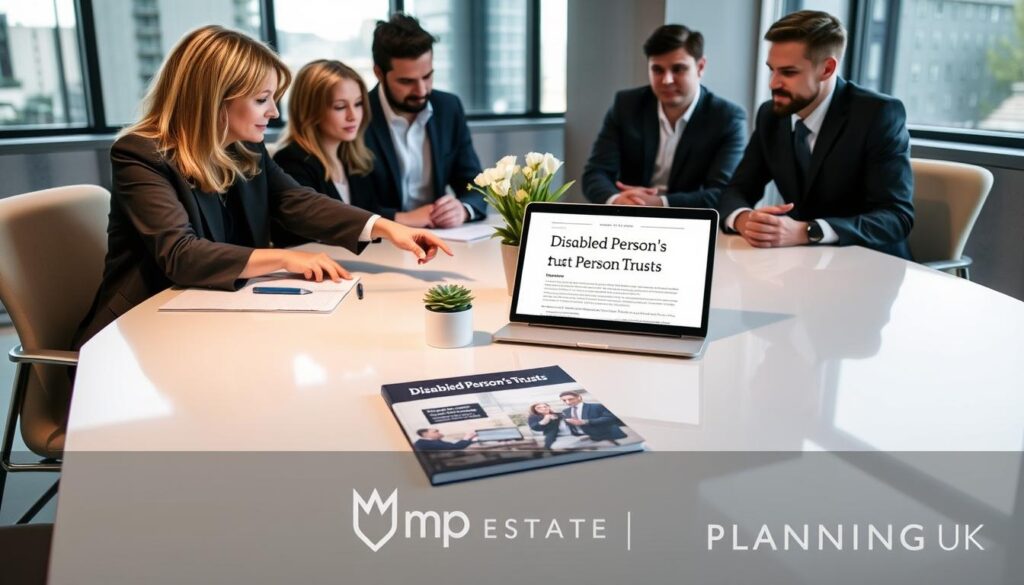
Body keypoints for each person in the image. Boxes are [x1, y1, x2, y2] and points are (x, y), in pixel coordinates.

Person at [74, 26, 452, 346]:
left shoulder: (244, 147)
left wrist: (386, 227)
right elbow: (181, 254)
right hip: (137, 339)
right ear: (214, 101)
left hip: (213, 323)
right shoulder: (141, 154)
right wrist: (286, 258)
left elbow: (295, 200)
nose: (273, 112)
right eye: (261, 100)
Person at [717, 10, 914, 259]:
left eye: (788, 72)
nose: (773, 83)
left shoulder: (878, 115)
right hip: (802, 264)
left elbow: (896, 217)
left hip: (870, 266)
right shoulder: (771, 115)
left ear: (827, 69)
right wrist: (745, 220)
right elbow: (736, 190)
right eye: (772, 70)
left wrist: (807, 231)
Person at [582, 24, 747, 208]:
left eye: (678, 69)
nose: (666, 80)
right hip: (630, 217)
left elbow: (721, 193)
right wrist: (618, 200)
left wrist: (660, 203)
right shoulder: (626, 105)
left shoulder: (727, 118)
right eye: (657, 70)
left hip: (689, 224)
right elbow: (595, 174)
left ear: (700, 67)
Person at [349, 13, 486, 228]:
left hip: (439, 236)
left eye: (427, 76)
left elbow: (477, 184)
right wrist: (398, 220)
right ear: (379, 73)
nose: (421, 90)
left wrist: (463, 209)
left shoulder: (449, 108)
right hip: (379, 242)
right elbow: (347, 204)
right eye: (407, 81)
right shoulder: (356, 115)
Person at [272, 59, 376, 247]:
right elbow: (305, 233)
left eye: (358, 103)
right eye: (340, 107)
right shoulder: (291, 162)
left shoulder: (353, 158)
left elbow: (368, 212)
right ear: (310, 109)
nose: (353, 116)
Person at [559, 391, 626, 443]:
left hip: (606, 436)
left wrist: (585, 422)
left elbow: (610, 418)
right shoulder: (565, 411)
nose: (567, 402)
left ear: (579, 397)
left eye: (570, 399)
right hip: (583, 437)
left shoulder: (596, 406)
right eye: (564, 400)